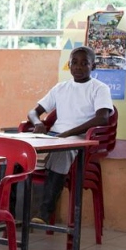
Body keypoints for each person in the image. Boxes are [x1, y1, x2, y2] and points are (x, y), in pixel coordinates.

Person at [26, 45, 112, 225]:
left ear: (93, 67)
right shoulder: (60, 88)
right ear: (69, 65)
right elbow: (33, 112)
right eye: (74, 62)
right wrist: (38, 123)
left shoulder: (99, 88)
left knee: (63, 151)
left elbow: (102, 118)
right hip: (55, 137)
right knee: (20, 152)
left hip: (79, 139)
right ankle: (9, 213)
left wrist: (68, 134)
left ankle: (44, 212)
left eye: (84, 63)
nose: (78, 67)